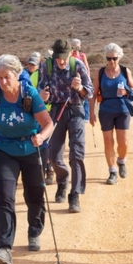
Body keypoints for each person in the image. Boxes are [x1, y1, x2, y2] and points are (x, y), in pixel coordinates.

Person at [0, 54, 53, 264]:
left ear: (17, 75)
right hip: (5, 150)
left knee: (34, 194)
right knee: (4, 196)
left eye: (6, 77)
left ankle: (34, 232)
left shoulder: (29, 94)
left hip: (32, 149)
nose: (3, 82)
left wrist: (41, 136)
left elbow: (48, 123)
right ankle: (4, 247)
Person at [38, 39, 93, 213]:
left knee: (77, 154)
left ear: (69, 54)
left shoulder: (77, 65)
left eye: (64, 58)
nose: (61, 62)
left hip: (75, 110)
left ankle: (74, 194)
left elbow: (90, 91)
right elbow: (39, 87)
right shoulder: (46, 66)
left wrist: (80, 88)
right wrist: (42, 94)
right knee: (54, 156)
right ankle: (62, 181)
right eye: (58, 58)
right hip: (55, 111)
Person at [89, 43, 133, 185]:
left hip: (123, 109)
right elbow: (93, 94)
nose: (111, 61)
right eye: (108, 58)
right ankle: (112, 171)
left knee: (124, 142)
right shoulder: (101, 72)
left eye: (114, 58)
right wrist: (91, 113)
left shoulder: (125, 71)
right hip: (106, 110)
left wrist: (127, 91)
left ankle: (121, 161)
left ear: (119, 57)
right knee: (108, 141)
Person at [24, 52, 54, 185]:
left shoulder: (57, 75)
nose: (31, 67)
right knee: (41, 143)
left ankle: (49, 170)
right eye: (30, 64)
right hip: (38, 114)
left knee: (48, 143)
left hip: (52, 113)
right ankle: (43, 171)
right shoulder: (32, 77)